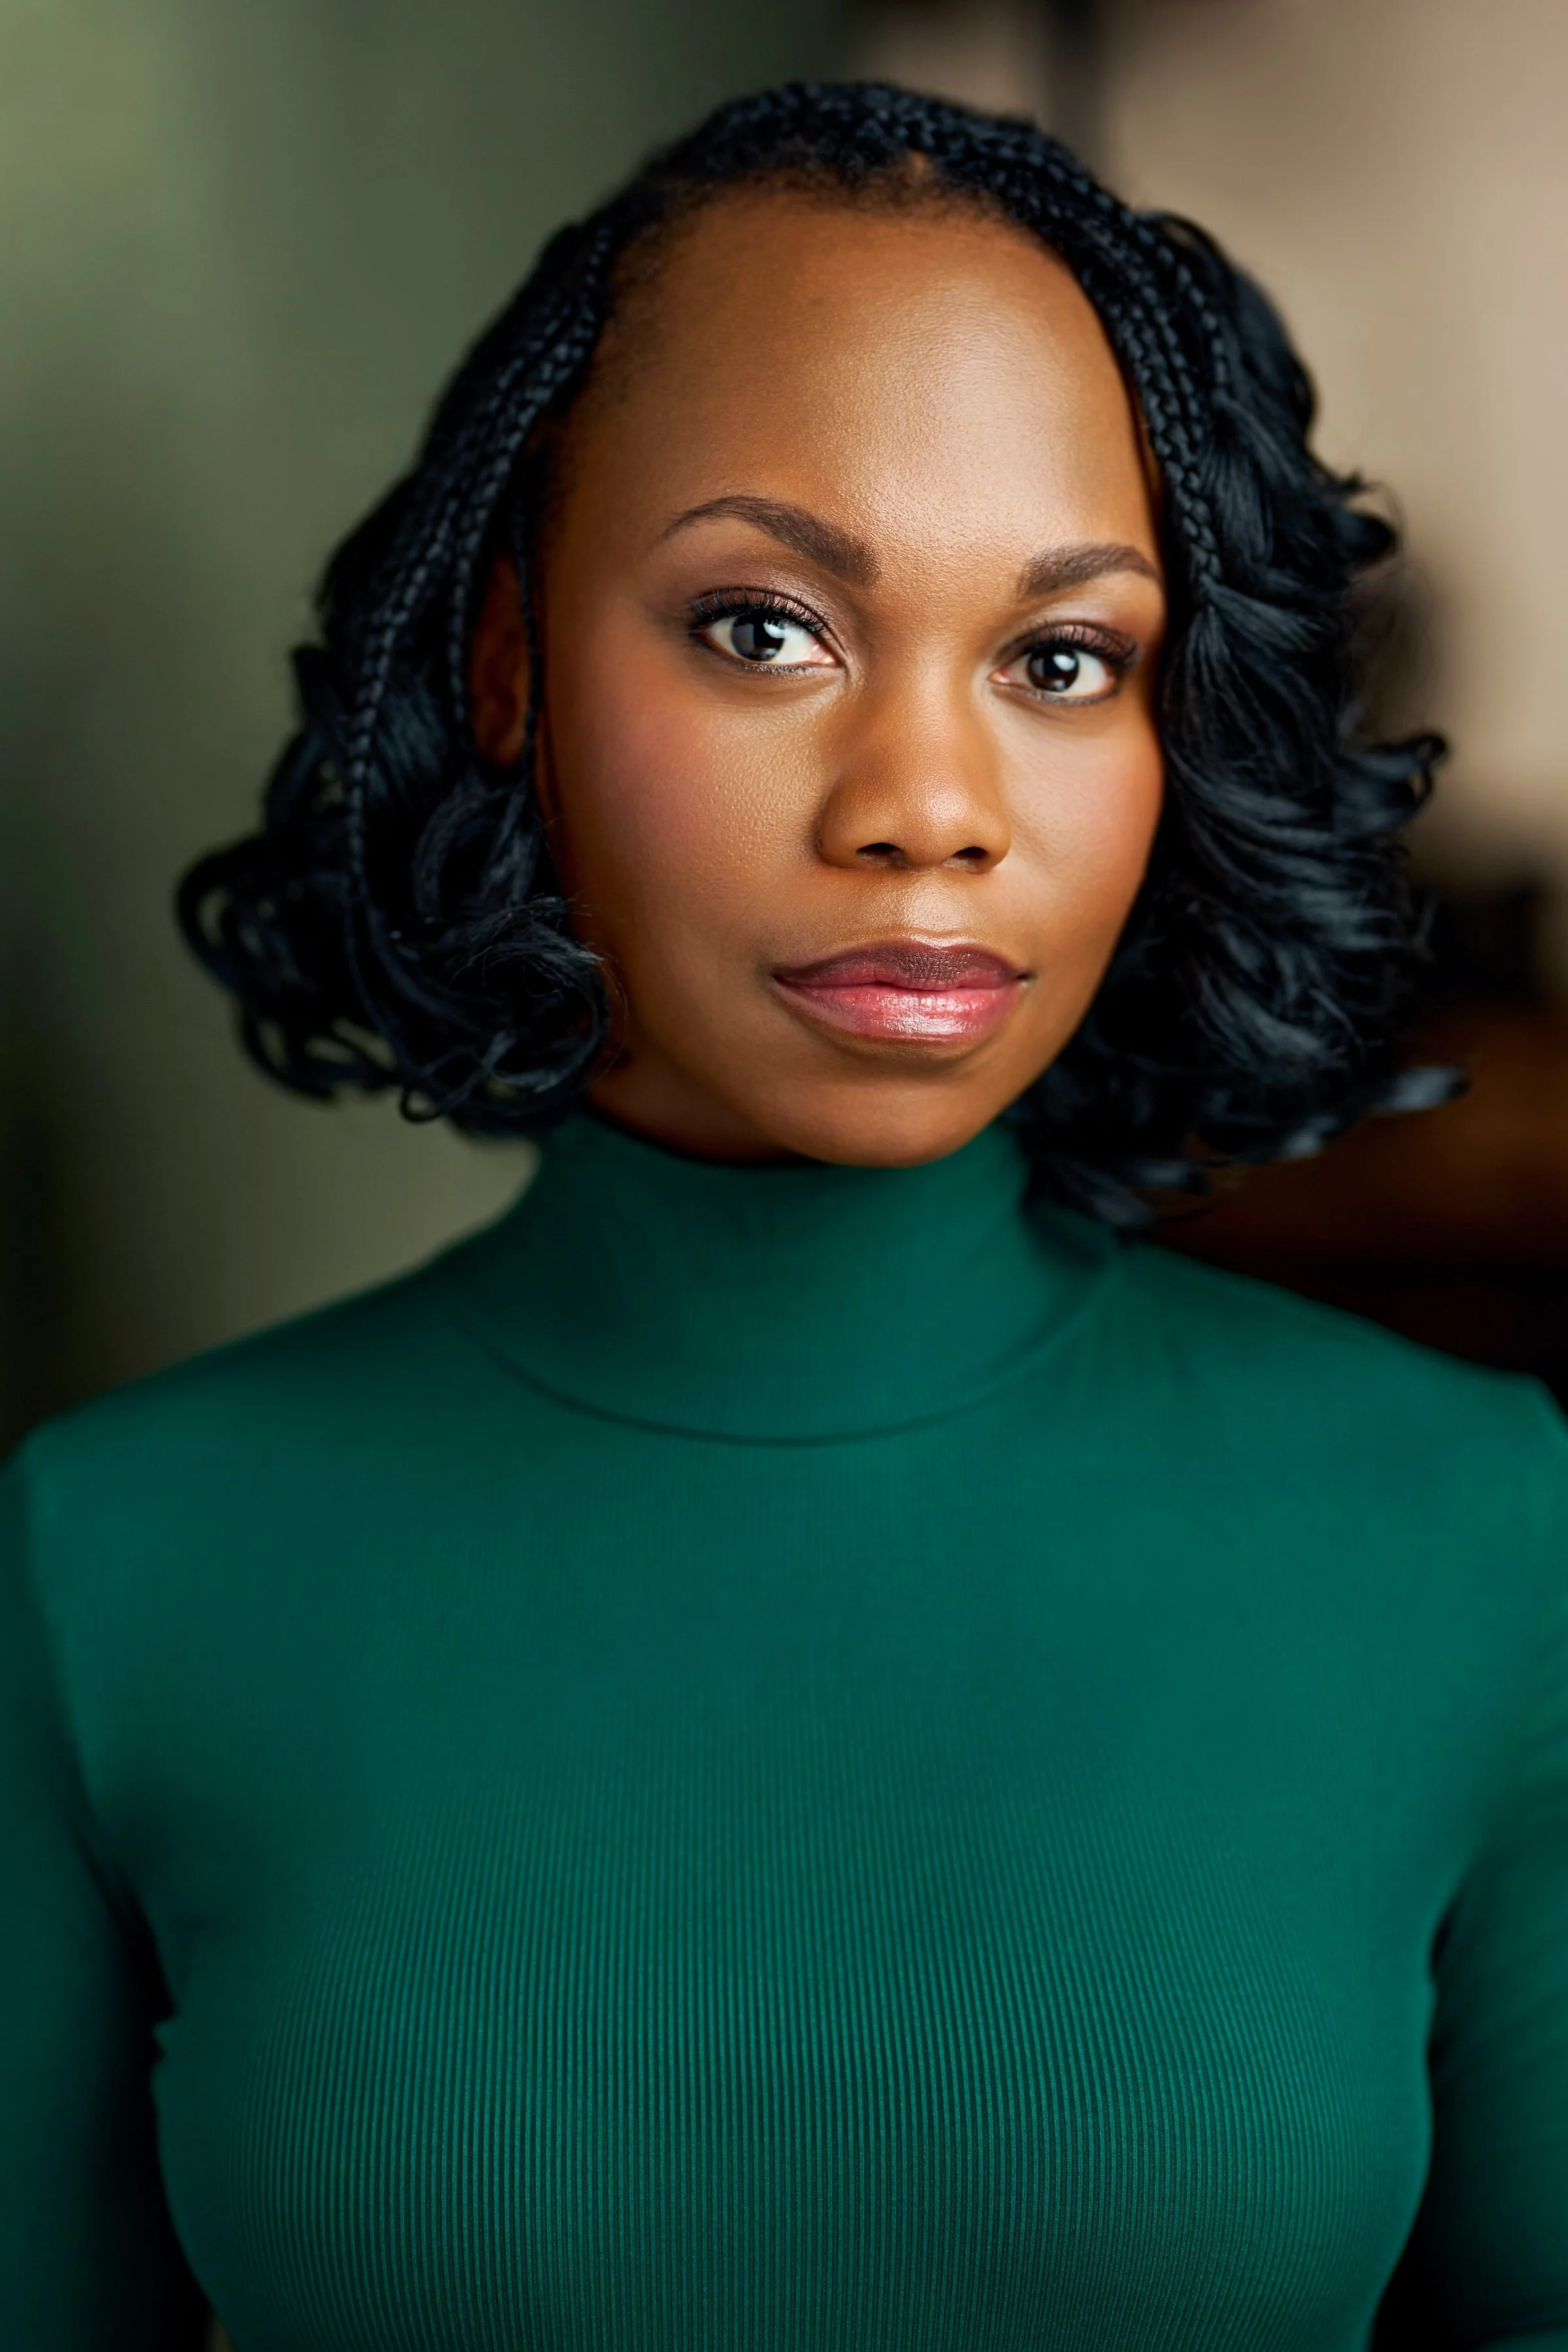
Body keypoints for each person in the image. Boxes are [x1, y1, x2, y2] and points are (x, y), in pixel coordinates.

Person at [2, 79, 1563, 2351]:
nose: (927, 807)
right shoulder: (110, 1570)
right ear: (514, 668)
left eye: (1059, 661)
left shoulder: (1486, 1541)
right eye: (763, 629)